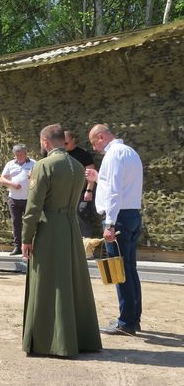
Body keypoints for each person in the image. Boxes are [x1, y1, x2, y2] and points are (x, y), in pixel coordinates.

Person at [21, 124, 102, 357]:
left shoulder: (43, 166)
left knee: (47, 282)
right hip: (71, 227)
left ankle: (50, 341)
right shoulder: (77, 166)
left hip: (49, 228)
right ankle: (79, 337)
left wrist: (26, 237)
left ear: (46, 142)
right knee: (73, 281)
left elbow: (33, 206)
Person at [85, 124, 143, 336]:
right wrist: (98, 178)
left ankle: (126, 322)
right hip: (132, 214)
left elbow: (115, 191)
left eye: (94, 143)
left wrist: (109, 223)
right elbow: (119, 185)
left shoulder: (113, 155)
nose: (96, 148)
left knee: (119, 272)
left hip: (118, 218)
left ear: (101, 137)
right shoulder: (130, 152)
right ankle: (133, 318)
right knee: (130, 269)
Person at [0, 144, 36, 255]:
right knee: (16, 222)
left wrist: (33, 176)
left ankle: (31, 245)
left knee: (30, 222)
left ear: (25, 153)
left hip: (29, 198)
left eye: (20, 155)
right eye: (16, 155)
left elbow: (41, 178)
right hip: (14, 199)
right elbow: (2, 179)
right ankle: (17, 246)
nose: (18, 157)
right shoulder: (10, 164)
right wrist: (12, 183)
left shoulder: (34, 163)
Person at [64, 130, 99, 239]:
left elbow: (91, 173)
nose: (64, 146)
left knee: (82, 216)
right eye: (62, 143)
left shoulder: (83, 154)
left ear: (73, 140)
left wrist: (89, 190)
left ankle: (87, 248)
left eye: (66, 143)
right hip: (64, 193)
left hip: (80, 192)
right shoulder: (60, 154)